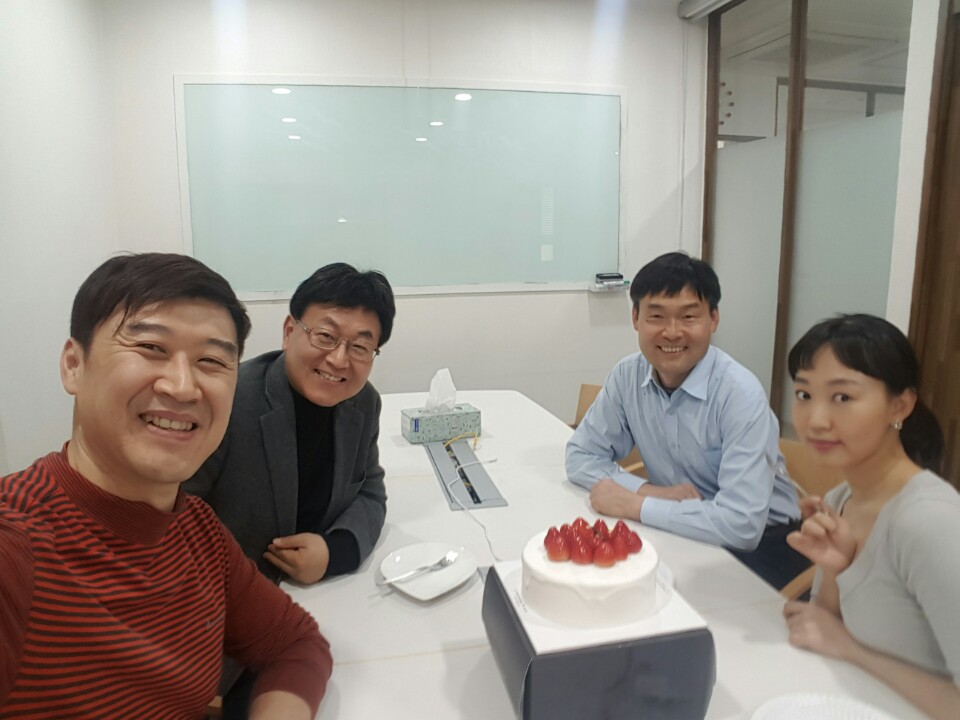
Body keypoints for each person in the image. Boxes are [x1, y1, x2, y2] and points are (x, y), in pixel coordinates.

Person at [0, 253, 331, 720]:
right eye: (151, 348)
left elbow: (295, 642)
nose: (182, 387)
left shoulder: (197, 531)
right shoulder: (17, 548)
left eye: (211, 360)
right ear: (74, 365)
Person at [566, 251, 806, 588]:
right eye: (657, 316)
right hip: (678, 527)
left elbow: (741, 525)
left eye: (689, 317)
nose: (672, 332)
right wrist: (649, 492)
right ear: (635, 318)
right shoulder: (627, 376)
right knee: (595, 579)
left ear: (713, 319)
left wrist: (636, 505)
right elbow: (580, 456)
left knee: (648, 596)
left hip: (764, 543)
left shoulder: (739, 394)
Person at [782, 314, 959, 720]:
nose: (816, 420)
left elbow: (842, 643)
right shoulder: (841, 498)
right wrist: (835, 569)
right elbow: (823, 628)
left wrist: (851, 649)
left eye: (842, 397)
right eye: (804, 394)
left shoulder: (930, 521)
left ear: (900, 406)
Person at [185, 263, 395, 585]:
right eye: (325, 336)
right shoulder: (229, 399)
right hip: (228, 591)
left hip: (323, 592)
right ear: (288, 332)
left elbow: (370, 492)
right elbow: (176, 514)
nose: (339, 359)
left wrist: (334, 552)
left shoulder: (364, 403)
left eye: (360, 347)